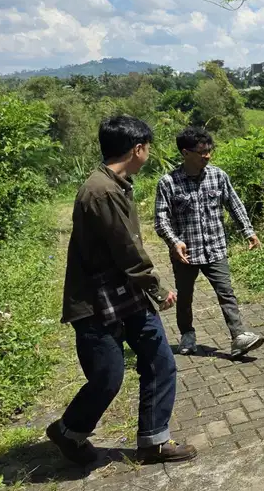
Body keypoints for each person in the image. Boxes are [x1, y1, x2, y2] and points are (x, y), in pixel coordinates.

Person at [48, 116, 197, 466]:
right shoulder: (101, 191)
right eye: (148, 148)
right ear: (137, 149)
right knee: (108, 375)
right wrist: (158, 288)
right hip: (98, 299)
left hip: (126, 293)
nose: (148, 153)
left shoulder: (116, 184)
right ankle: (69, 431)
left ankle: (153, 441)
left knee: (160, 361)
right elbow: (126, 249)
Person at [154, 127, 264, 358]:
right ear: (185, 153)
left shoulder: (218, 176)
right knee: (185, 296)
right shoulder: (168, 182)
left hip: (215, 248)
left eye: (209, 150)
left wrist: (248, 231)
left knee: (226, 292)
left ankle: (239, 337)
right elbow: (161, 220)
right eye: (202, 152)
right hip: (186, 253)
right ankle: (187, 334)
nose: (208, 156)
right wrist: (174, 242)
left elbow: (234, 205)